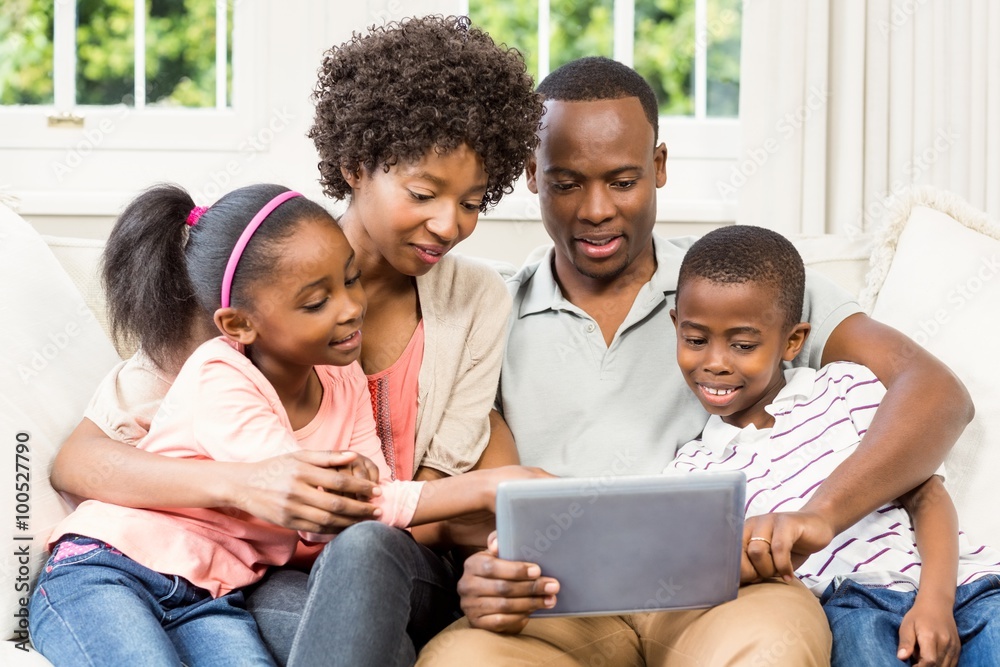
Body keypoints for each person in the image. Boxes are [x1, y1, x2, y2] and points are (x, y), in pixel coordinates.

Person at [418, 57, 973, 665]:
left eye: (623, 180)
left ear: (658, 167)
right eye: (567, 182)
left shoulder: (739, 284)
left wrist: (821, 514)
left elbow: (935, 392)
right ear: (531, 175)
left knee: (773, 649)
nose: (596, 208)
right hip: (554, 606)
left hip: (727, 594)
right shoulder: (487, 312)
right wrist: (481, 572)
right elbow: (447, 499)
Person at [49, 15, 544, 666]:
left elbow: (418, 504)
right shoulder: (254, 270)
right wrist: (246, 485)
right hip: (255, 575)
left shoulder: (475, 300)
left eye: (475, 201)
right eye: (423, 192)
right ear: (354, 164)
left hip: (391, 553)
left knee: (362, 551)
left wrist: (488, 489)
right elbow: (79, 462)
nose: (450, 223)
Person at [664, 224, 1000, 667]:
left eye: (743, 345)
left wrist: (935, 604)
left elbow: (927, 494)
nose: (715, 363)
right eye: (695, 340)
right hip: (850, 610)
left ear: (793, 341)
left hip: (962, 587)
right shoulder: (693, 472)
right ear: (676, 327)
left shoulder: (847, 388)